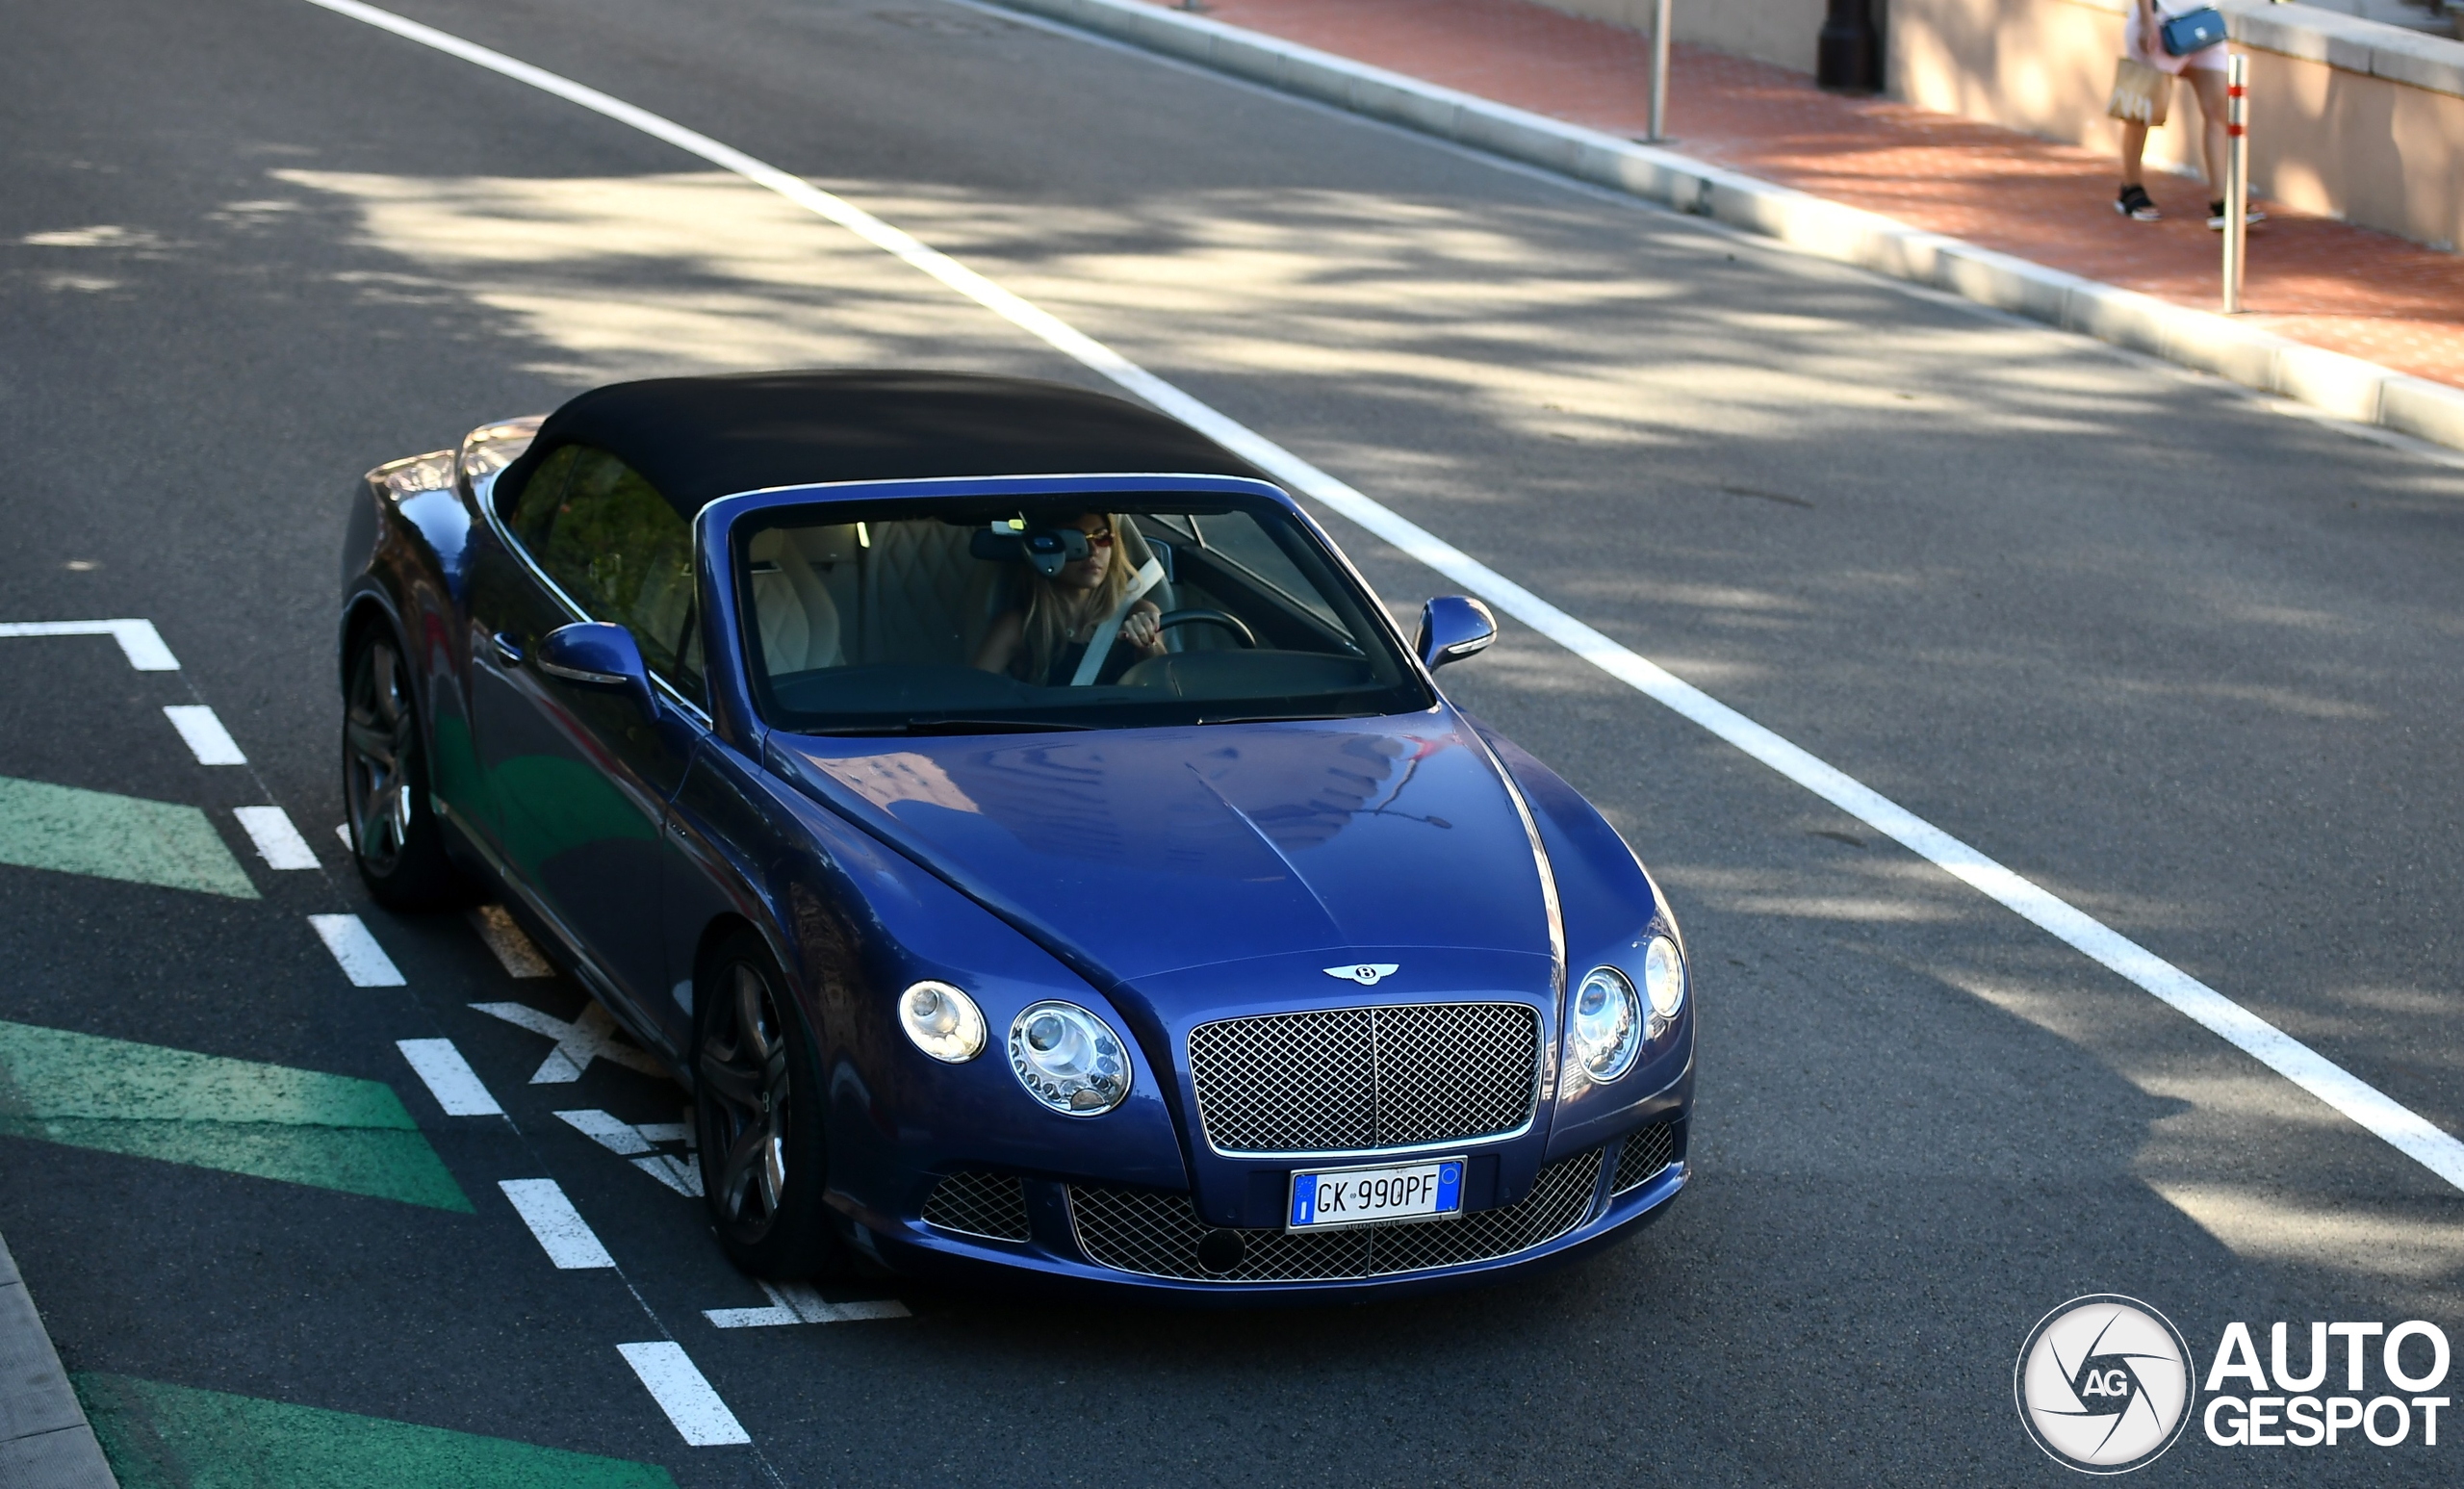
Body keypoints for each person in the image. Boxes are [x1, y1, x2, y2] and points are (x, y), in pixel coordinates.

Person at [2116, 0, 2264, 230]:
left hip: (2203, 24)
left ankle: (2222, 200)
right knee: (2141, 112)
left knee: (2219, 111)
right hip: (2158, 23)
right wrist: (2147, 21)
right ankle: (2130, 186)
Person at [971, 511, 1166, 685]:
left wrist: (1148, 644)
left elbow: (1167, 689)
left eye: (1102, 538)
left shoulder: (1138, 612)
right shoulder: (1019, 627)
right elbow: (970, 697)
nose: (1092, 551)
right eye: (1074, 541)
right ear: (1046, 548)